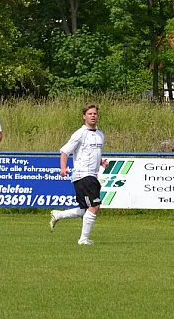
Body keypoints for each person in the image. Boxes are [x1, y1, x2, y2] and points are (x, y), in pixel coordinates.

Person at [49, 104, 108, 245]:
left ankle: (58, 214)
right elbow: (64, 152)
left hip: (93, 175)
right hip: (83, 175)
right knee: (95, 206)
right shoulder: (79, 133)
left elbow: (91, 154)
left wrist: (101, 162)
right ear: (84, 116)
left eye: (95, 113)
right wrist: (63, 168)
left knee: (86, 210)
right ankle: (83, 239)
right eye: (90, 114)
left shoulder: (100, 134)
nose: (93, 116)